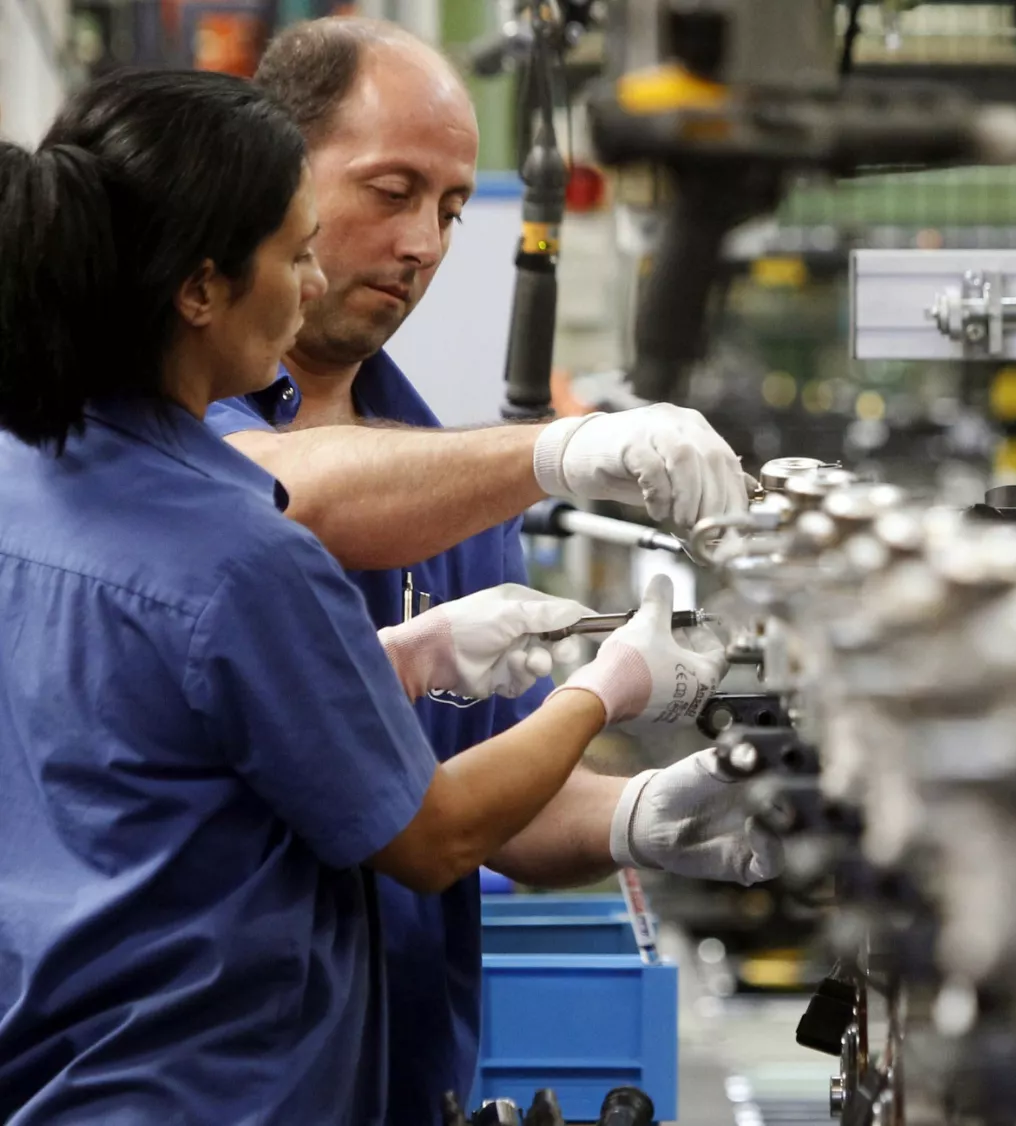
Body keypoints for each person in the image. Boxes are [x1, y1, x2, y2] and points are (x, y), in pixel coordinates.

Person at [0, 69, 724, 1123]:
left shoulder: (26, 483)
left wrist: (400, 663)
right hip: (209, 1086)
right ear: (199, 289)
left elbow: (148, 740)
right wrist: (608, 691)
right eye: (293, 253)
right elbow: (428, 836)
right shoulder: (236, 546)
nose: (305, 285)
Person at [208, 17, 781, 1121]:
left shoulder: (461, 496)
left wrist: (639, 813)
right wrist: (552, 450)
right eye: (390, 190)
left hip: (399, 1069)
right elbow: (276, 496)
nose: (423, 240)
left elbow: (477, 799)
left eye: (453, 208)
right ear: (271, 178)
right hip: (223, 1069)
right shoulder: (167, 432)